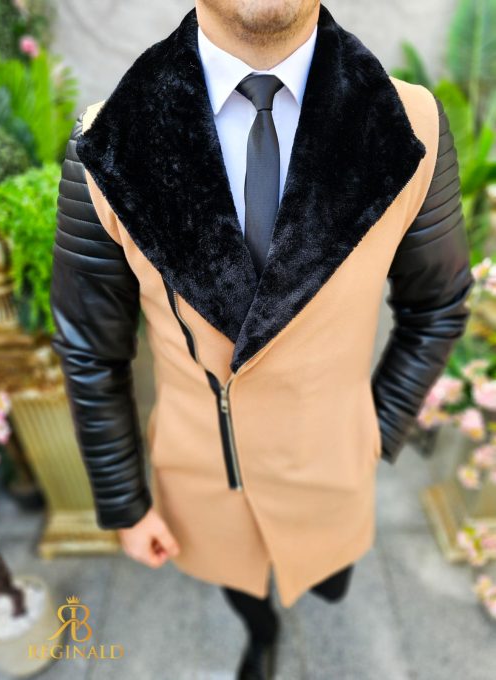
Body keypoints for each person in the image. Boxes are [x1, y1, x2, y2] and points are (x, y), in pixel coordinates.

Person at [50, 2, 474, 678]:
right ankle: (260, 631)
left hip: (333, 463)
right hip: (204, 471)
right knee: (241, 585)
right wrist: (124, 502)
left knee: (330, 575)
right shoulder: (106, 144)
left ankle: (319, 586)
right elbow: (90, 346)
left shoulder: (410, 123)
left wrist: (377, 429)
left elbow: (438, 302)